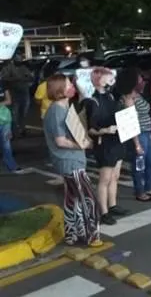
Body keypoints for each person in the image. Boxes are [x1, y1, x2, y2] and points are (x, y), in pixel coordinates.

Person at [42, 74, 101, 245]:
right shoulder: (56, 112)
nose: (72, 87)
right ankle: (91, 236)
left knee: (73, 199)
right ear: (59, 90)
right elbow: (60, 141)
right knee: (88, 198)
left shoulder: (65, 108)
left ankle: (72, 234)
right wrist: (81, 145)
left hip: (71, 160)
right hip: (69, 161)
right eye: (68, 85)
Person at [83, 67, 129, 225]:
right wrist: (105, 130)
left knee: (115, 176)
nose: (112, 82)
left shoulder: (110, 96)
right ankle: (103, 211)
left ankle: (113, 204)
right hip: (104, 143)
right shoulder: (92, 101)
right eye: (108, 79)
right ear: (98, 80)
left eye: (112, 79)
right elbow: (91, 128)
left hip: (117, 139)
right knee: (105, 178)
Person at [115, 68, 151, 202]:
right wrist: (137, 144)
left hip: (145, 133)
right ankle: (139, 191)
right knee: (139, 164)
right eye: (140, 79)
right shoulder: (128, 100)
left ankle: (149, 186)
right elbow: (130, 123)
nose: (143, 81)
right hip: (137, 135)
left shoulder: (137, 95)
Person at [0, 54, 33, 136]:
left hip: (24, 92)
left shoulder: (23, 68)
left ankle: (22, 129)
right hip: (14, 93)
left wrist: (23, 79)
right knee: (14, 113)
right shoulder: (8, 67)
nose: (19, 61)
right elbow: (3, 78)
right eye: (18, 60)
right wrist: (16, 79)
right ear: (13, 59)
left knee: (23, 112)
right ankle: (14, 131)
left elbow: (30, 77)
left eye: (20, 60)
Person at [0, 75, 24, 174]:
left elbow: (9, 100)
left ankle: (11, 164)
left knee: (6, 144)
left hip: (5, 120)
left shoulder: (2, 85)